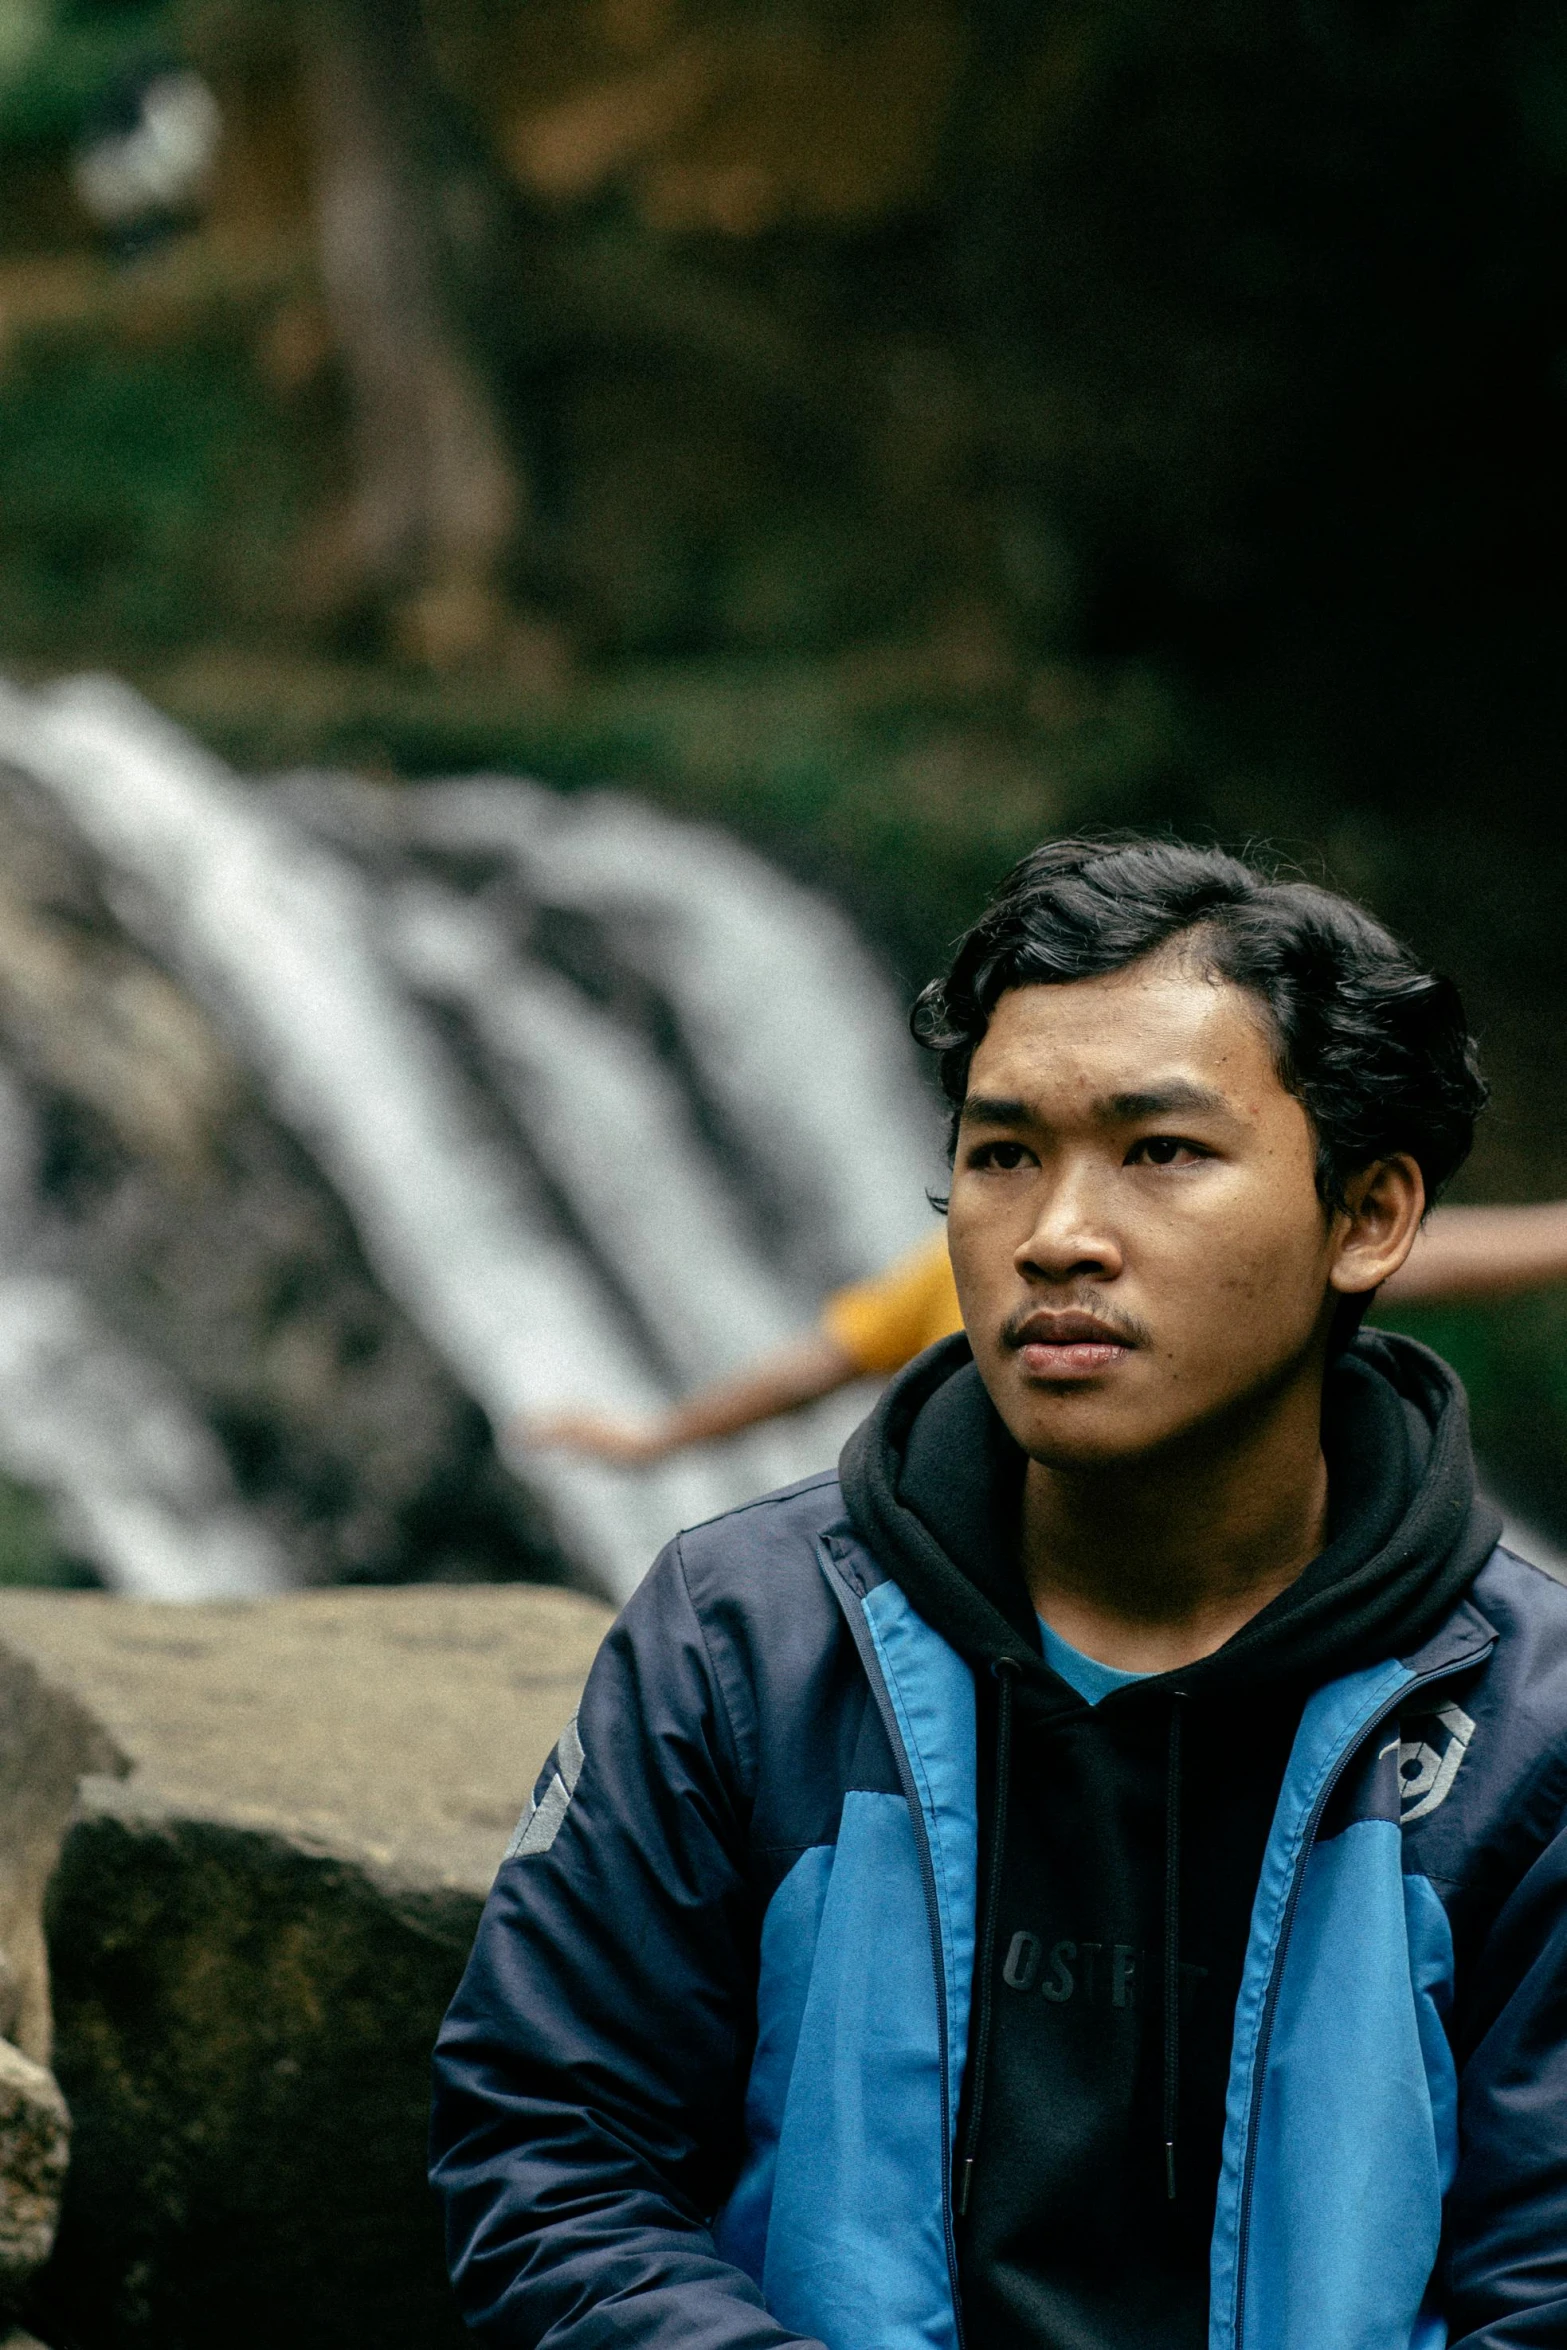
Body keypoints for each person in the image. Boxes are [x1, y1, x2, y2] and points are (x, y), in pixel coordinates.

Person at [432, 837, 1567, 2350]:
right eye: (999, 1152)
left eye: (1159, 1150)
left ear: (1364, 1215)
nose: (1053, 1234)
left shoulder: (1526, 1734)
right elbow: (547, 2150)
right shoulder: (745, 1641)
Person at [525, 1198, 1567, 1467]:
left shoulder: (1196, 1267)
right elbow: (809, 1366)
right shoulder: (952, 1269)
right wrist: (654, 1438)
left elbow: (1406, 1251)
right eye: (1008, 1154)